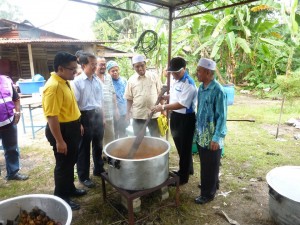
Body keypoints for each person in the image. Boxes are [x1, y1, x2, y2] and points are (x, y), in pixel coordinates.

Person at [42, 52, 86, 211]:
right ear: (60, 68)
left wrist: (78, 122)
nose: (75, 72)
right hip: (62, 131)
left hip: (71, 127)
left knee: (70, 162)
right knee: (63, 165)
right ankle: (61, 198)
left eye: (76, 68)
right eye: (72, 69)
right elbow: (52, 116)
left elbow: (68, 107)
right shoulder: (53, 87)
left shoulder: (64, 80)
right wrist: (60, 141)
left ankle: (70, 189)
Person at [152, 57, 197, 185]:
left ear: (184, 69)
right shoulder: (177, 80)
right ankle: (188, 169)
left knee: (185, 147)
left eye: (176, 72)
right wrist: (167, 97)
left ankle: (183, 177)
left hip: (186, 119)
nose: (174, 75)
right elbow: (177, 95)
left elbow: (182, 103)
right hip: (176, 117)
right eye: (172, 72)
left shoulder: (189, 84)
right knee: (180, 145)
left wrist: (163, 107)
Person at [194, 58, 227, 204]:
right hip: (202, 134)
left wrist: (216, 138)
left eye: (199, 71)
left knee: (211, 165)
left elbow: (222, 116)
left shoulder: (218, 90)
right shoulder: (201, 87)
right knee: (206, 164)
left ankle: (208, 194)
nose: (197, 73)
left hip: (212, 137)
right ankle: (212, 183)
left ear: (208, 72)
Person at [72, 52, 105, 188]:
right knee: (84, 148)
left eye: (96, 64)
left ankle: (98, 169)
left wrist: (103, 118)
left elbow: (101, 101)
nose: (95, 67)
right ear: (84, 65)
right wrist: (79, 123)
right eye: (93, 64)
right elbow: (74, 104)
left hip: (97, 115)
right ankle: (83, 176)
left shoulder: (97, 80)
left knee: (98, 144)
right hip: (84, 116)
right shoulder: (78, 82)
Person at [124, 55, 162, 137]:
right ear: (133, 67)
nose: (140, 68)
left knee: (156, 138)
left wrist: (163, 110)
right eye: (137, 66)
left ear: (145, 64)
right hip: (138, 115)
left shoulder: (154, 76)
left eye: (142, 65)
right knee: (139, 139)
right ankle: (142, 150)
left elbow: (160, 93)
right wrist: (127, 113)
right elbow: (129, 98)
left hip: (154, 114)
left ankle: (155, 150)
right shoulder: (131, 80)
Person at [0, 75, 28, 181]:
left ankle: (13, 173)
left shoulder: (6, 81)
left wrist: (17, 112)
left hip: (9, 122)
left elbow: (16, 98)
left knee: (11, 148)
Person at [96, 57, 119, 146]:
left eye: (104, 64)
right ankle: (102, 155)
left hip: (110, 112)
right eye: (101, 64)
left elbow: (113, 93)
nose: (103, 66)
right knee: (100, 137)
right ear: (96, 65)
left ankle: (110, 155)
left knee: (110, 135)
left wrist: (116, 109)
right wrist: (102, 116)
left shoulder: (108, 77)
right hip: (98, 114)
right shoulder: (93, 78)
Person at [106, 60, 128, 139]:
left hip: (124, 111)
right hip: (114, 112)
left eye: (116, 70)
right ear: (108, 72)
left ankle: (123, 147)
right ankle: (115, 148)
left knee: (123, 131)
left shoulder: (124, 80)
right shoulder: (108, 82)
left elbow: (128, 95)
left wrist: (129, 110)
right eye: (112, 71)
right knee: (115, 132)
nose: (115, 72)